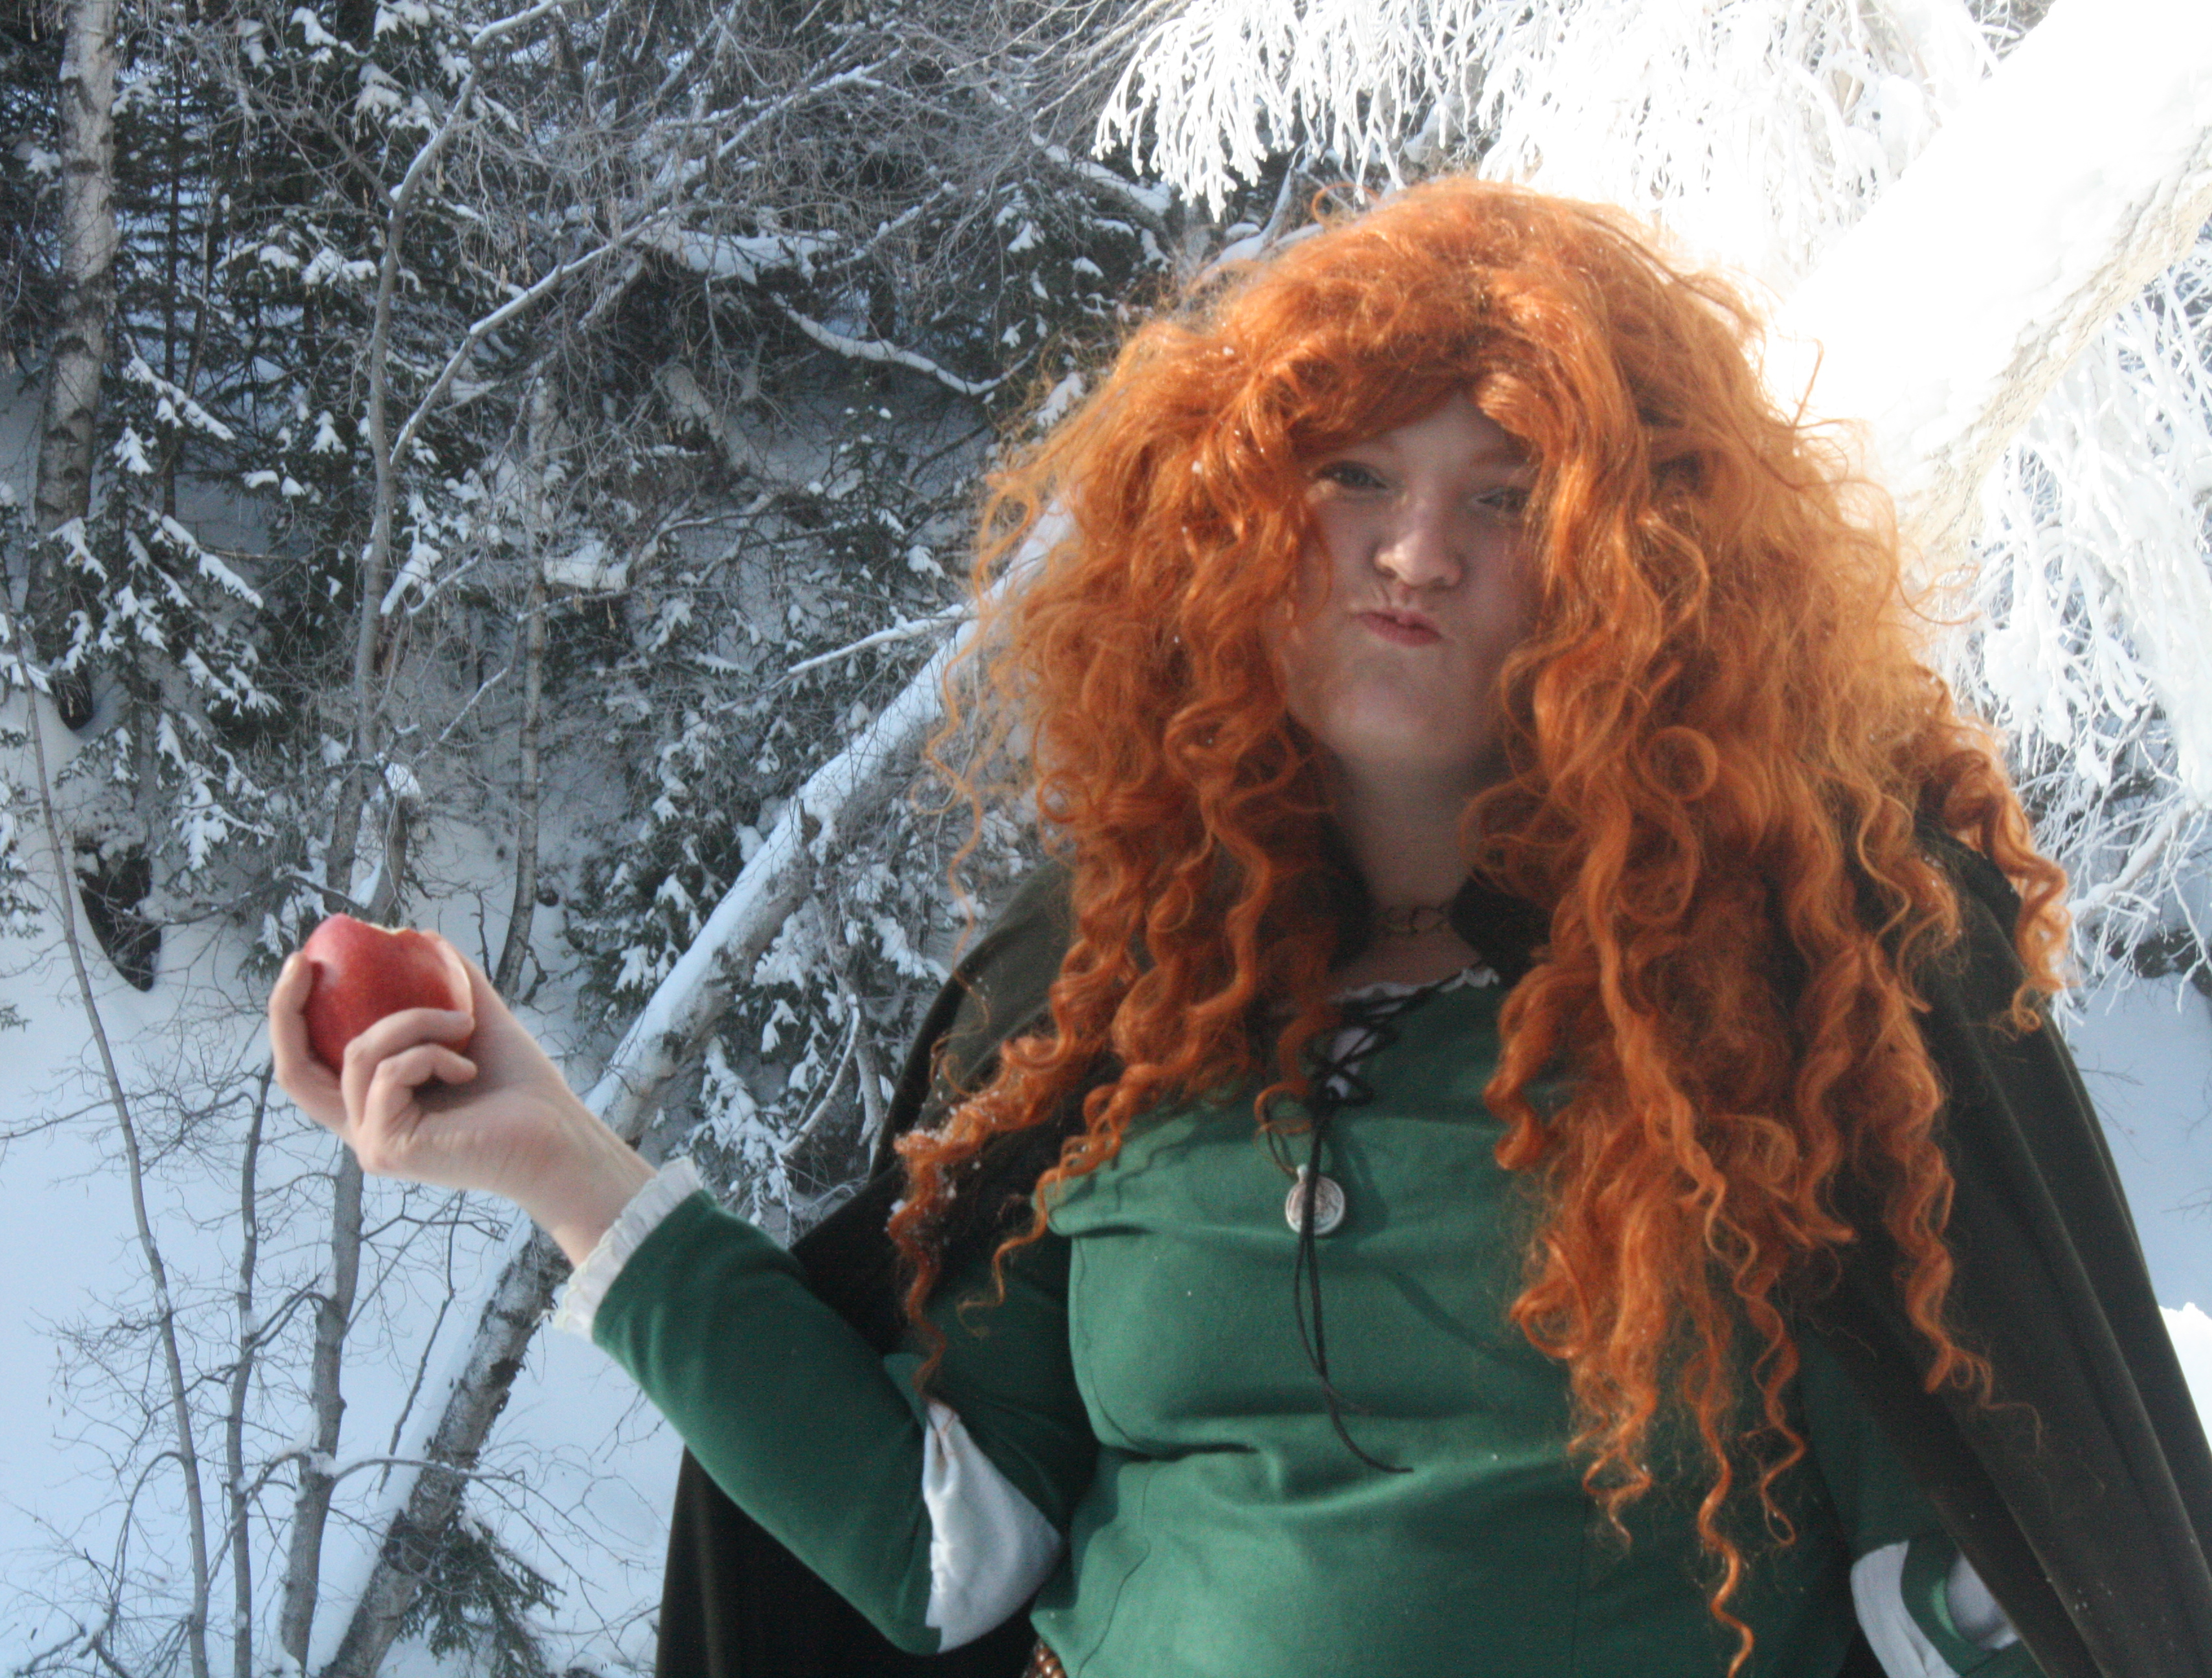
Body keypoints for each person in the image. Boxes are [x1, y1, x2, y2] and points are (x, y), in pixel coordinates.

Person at [270, 179, 2212, 1678]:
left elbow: (1985, 1576)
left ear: (1634, 575)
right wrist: (560, 1162)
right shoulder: (1114, 1008)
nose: (1415, 549)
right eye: (1353, 475)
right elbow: (949, 1550)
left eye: (1505, 497)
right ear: (1231, 528)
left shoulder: (1772, 1009)